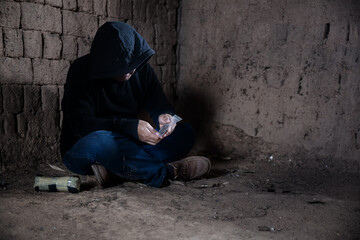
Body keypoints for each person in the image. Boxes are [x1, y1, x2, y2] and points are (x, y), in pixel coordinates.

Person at [60, 22, 211, 188]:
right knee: (101, 140)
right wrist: (131, 127)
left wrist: (164, 117)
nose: (128, 72)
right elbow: (82, 125)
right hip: (86, 149)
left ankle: (118, 171)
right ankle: (168, 172)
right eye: (119, 67)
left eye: (131, 64)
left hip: (127, 146)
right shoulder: (81, 70)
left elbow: (160, 105)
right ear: (104, 63)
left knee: (185, 133)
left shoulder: (143, 70)